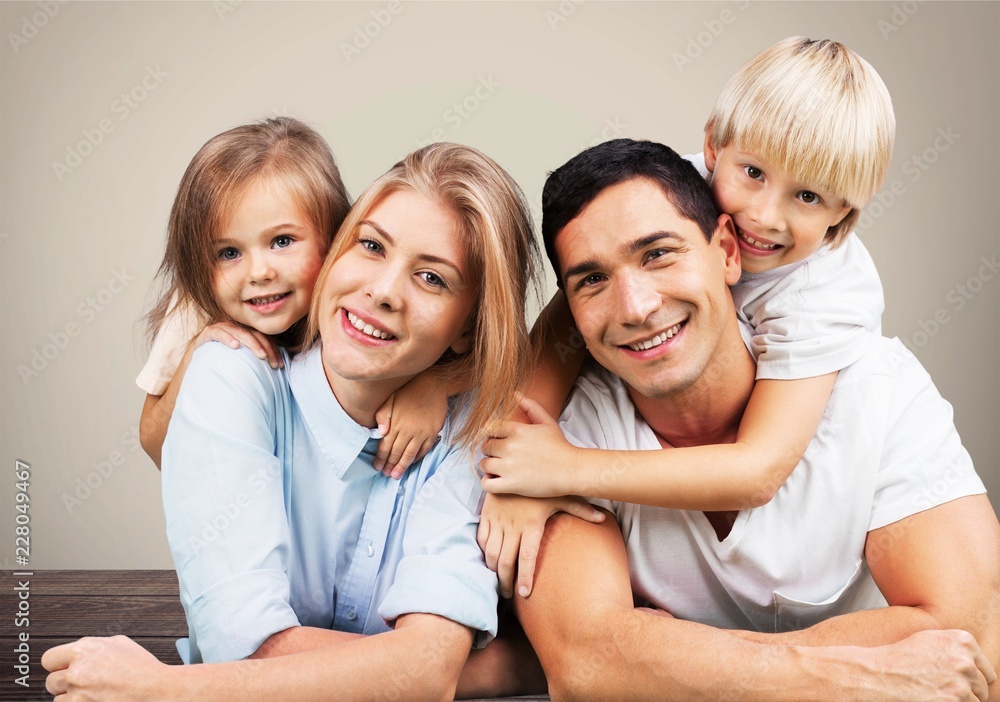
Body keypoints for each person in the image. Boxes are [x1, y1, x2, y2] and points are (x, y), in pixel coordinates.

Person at [42, 143, 550, 700]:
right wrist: (494, 667)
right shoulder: (229, 369)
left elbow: (426, 674)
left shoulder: (467, 434)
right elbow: (247, 648)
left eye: (432, 278)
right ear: (339, 251)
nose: (383, 291)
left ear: (466, 330)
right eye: (372, 246)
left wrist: (166, 688)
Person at [511, 138, 1000, 700]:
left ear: (726, 250)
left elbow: (970, 637)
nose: (636, 307)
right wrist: (853, 675)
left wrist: (664, 658)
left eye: (659, 254)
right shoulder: (561, 440)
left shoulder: (876, 387)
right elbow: (586, 663)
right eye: (592, 279)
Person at [478, 37, 897, 599]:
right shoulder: (680, 186)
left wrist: (563, 469)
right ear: (713, 149)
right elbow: (572, 307)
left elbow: (756, 472)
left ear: (843, 210)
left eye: (808, 196)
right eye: (752, 172)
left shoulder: (828, 292)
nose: (762, 215)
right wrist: (513, 460)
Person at [136, 116, 449, 477]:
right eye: (228, 253)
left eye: (282, 241)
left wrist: (435, 386)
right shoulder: (196, 307)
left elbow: (492, 351)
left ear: (334, 237)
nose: (258, 273)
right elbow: (155, 444)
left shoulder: (355, 293)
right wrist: (193, 356)